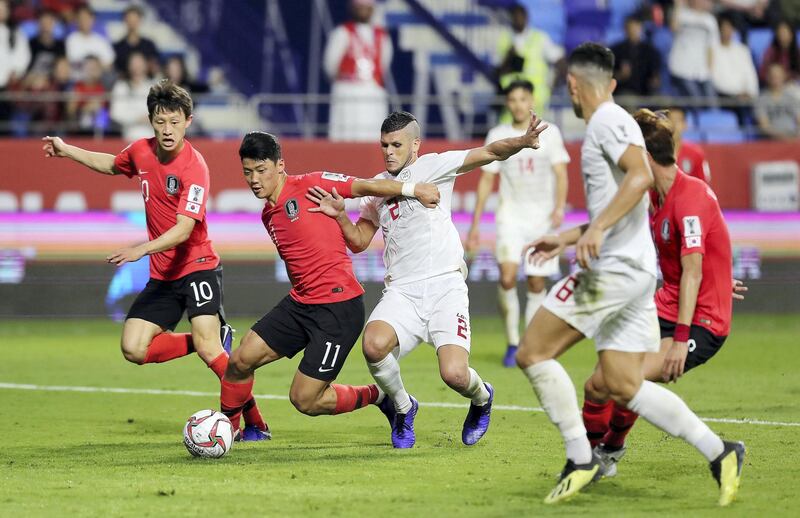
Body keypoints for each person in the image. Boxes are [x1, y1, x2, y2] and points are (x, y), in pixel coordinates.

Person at [518, 43, 744, 505]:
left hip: (615, 271)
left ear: (574, 85)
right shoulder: (617, 122)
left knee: (532, 352)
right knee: (622, 383)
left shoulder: (605, 122)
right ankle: (720, 451)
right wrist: (567, 235)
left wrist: (595, 230)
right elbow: (635, 197)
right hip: (642, 275)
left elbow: (639, 177)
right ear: (614, 83)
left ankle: (581, 456)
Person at [41, 80, 269, 441]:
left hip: (197, 265)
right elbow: (111, 164)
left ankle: (252, 422)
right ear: (151, 120)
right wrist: (67, 150)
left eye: (174, 122)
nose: (167, 129)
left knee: (213, 350)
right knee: (133, 347)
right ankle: (203, 338)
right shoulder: (141, 151)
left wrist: (140, 250)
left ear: (188, 121)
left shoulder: (195, 167)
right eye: (160, 121)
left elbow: (183, 230)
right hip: (163, 275)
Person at [308, 110, 548, 449]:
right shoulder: (378, 187)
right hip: (402, 291)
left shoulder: (435, 166)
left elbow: (490, 152)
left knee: (454, 375)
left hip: (444, 287)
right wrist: (341, 217)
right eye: (384, 145)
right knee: (373, 344)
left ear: (415, 145)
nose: (389, 152)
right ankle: (404, 408)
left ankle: (482, 397)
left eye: (396, 144)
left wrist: (522, 142)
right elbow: (360, 241)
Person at [219, 131, 441, 432]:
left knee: (304, 400)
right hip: (301, 303)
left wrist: (414, 189)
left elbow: (365, 185)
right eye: (248, 172)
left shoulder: (313, 184)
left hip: (338, 309)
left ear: (280, 165)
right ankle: (232, 430)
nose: (255, 179)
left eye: (262, 170)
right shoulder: (267, 214)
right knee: (239, 360)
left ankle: (379, 397)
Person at [582, 108, 739, 479]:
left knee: (625, 381)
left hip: (701, 321)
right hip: (666, 303)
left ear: (647, 158)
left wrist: (682, 340)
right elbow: (697, 260)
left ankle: (600, 457)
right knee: (599, 382)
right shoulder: (653, 196)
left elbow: (694, 269)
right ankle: (599, 453)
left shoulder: (691, 198)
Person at [465, 80, 569, 367]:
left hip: (543, 219)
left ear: (531, 100)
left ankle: (529, 343)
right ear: (508, 103)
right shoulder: (498, 134)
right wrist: (475, 225)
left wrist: (560, 207)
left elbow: (561, 173)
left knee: (536, 282)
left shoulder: (551, 132)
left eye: (523, 98)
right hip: (510, 217)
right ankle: (512, 342)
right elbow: (487, 180)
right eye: (512, 99)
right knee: (508, 277)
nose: (518, 104)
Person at [323, 0, 392, 141]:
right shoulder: (342, 32)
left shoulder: (382, 36)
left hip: (372, 91)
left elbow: (383, 64)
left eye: (367, 7)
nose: (363, 10)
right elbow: (330, 65)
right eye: (360, 7)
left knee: (371, 133)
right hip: (347, 90)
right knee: (345, 132)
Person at [495, 3, 564, 117]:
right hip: (511, 102)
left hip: (536, 100)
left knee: (534, 131)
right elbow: (497, 71)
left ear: (526, 17)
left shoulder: (540, 38)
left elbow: (560, 61)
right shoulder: (505, 39)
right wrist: (509, 56)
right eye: (515, 16)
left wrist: (553, 85)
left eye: (520, 16)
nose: (518, 19)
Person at [711, 13, 759, 126]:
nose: (726, 31)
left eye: (729, 28)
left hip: (744, 95)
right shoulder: (713, 50)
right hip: (723, 95)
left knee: (760, 104)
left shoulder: (742, 50)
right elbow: (714, 78)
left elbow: (750, 74)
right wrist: (735, 94)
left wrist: (750, 92)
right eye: (723, 28)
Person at [668, 0, 718, 101]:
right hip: (682, 68)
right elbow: (673, 27)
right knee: (696, 100)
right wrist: (678, 5)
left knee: (713, 103)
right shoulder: (682, 14)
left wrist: (710, 71)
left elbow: (711, 46)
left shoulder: (710, 20)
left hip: (702, 70)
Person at [610, 15, 662, 96]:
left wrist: (655, 81)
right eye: (631, 28)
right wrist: (620, 75)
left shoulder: (650, 51)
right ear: (625, 29)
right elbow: (609, 78)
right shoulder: (616, 50)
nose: (633, 31)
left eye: (636, 28)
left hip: (646, 92)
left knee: (664, 102)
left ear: (641, 28)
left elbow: (655, 76)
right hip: (625, 91)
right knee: (629, 100)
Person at [110, 51, 157, 141]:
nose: (137, 66)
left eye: (139, 63)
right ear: (129, 66)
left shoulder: (154, 86)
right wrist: (138, 118)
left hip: (152, 137)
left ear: (146, 65)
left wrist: (151, 118)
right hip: (129, 137)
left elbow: (159, 112)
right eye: (134, 63)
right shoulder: (121, 86)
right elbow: (116, 113)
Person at [755, 62, 800, 139]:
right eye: (773, 76)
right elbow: (764, 126)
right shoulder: (761, 100)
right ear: (768, 77)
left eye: (778, 76)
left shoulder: (791, 98)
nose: (775, 79)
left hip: (793, 138)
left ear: (784, 76)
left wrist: (796, 136)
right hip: (772, 141)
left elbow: (798, 120)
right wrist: (784, 138)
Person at [667, 106, 711, 183]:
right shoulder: (656, 153)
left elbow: (704, 184)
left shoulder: (696, 153)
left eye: (677, 121)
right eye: (670, 120)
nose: (673, 125)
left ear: (685, 124)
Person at [113, 5, 159, 77]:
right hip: (125, 84)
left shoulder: (149, 45)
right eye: (129, 19)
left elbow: (154, 68)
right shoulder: (118, 47)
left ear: (140, 20)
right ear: (125, 20)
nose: (132, 22)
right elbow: (116, 71)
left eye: (135, 19)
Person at [65, 5, 114, 70]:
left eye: (87, 18)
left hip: (100, 76)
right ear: (77, 21)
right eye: (81, 18)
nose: (84, 21)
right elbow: (72, 62)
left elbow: (109, 62)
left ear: (93, 19)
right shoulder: (71, 39)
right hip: (78, 77)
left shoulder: (101, 40)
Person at [67, 54, 106, 134]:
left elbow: (103, 108)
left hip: (98, 129)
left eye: (95, 68)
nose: (92, 71)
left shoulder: (102, 87)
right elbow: (70, 111)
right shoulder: (77, 87)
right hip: (79, 128)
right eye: (89, 68)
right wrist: (85, 108)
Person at [758, 20, 800, 84]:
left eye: (785, 32)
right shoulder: (770, 51)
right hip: (774, 86)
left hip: (794, 85)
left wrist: (788, 76)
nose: (782, 35)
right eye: (780, 32)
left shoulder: (797, 52)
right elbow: (763, 73)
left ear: (791, 34)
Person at [27, 9, 65, 75]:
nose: (45, 26)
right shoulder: (30, 44)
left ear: (54, 24)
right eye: (43, 23)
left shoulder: (61, 45)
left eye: (48, 23)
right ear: (38, 24)